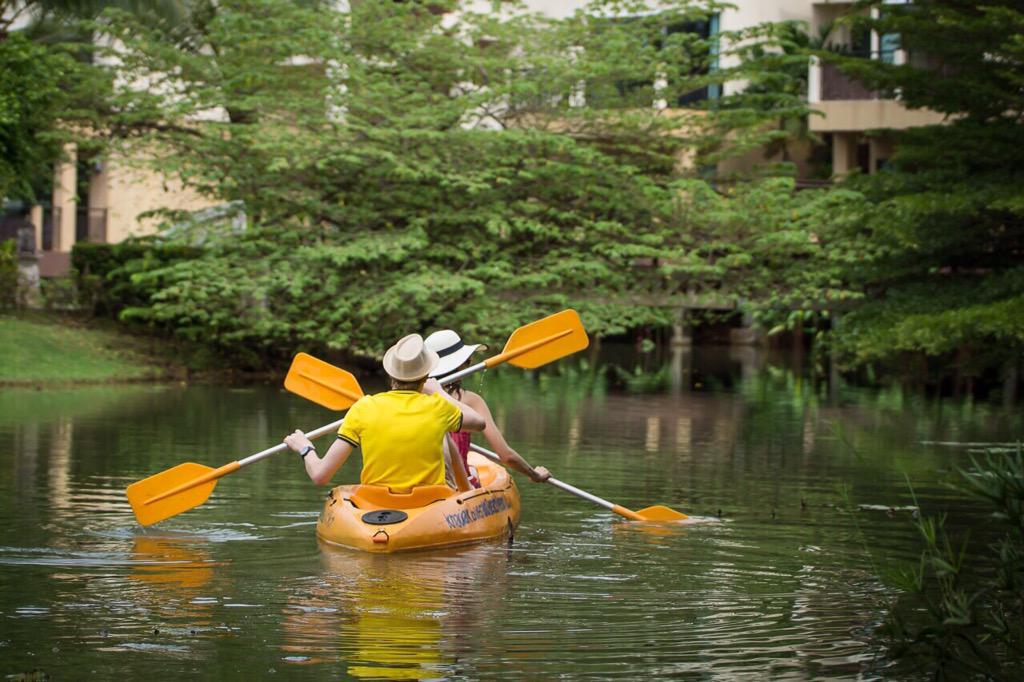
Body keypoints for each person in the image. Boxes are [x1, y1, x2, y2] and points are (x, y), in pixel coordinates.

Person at [283, 333, 486, 491]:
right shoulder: (438, 407)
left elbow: (320, 475)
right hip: (429, 504)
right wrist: (439, 392)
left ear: (390, 374)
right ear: (426, 376)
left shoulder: (363, 408)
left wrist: (305, 448)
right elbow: (479, 422)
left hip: (376, 506)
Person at [424, 329, 550, 488]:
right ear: (459, 366)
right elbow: (506, 456)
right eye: (467, 361)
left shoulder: (409, 397)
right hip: (458, 487)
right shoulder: (471, 401)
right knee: (473, 473)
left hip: (419, 486)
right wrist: (535, 474)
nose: (469, 364)